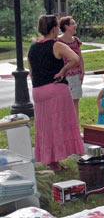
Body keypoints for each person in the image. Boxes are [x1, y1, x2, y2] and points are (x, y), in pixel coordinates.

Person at [27, 15, 85, 172]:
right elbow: (75, 58)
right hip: (55, 89)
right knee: (59, 126)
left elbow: (31, 72)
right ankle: (57, 158)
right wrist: (64, 70)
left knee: (45, 127)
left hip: (38, 91)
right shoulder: (56, 45)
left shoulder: (33, 48)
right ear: (54, 29)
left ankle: (52, 161)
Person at [57, 16, 84, 118]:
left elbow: (80, 57)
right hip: (64, 76)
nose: (75, 25)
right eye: (73, 23)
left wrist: (82, 71)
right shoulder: (58, 41)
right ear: (66, 26)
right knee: (64, 103)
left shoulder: (76, 40)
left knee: (75, 101)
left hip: (76, 75)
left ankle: (75, 128)